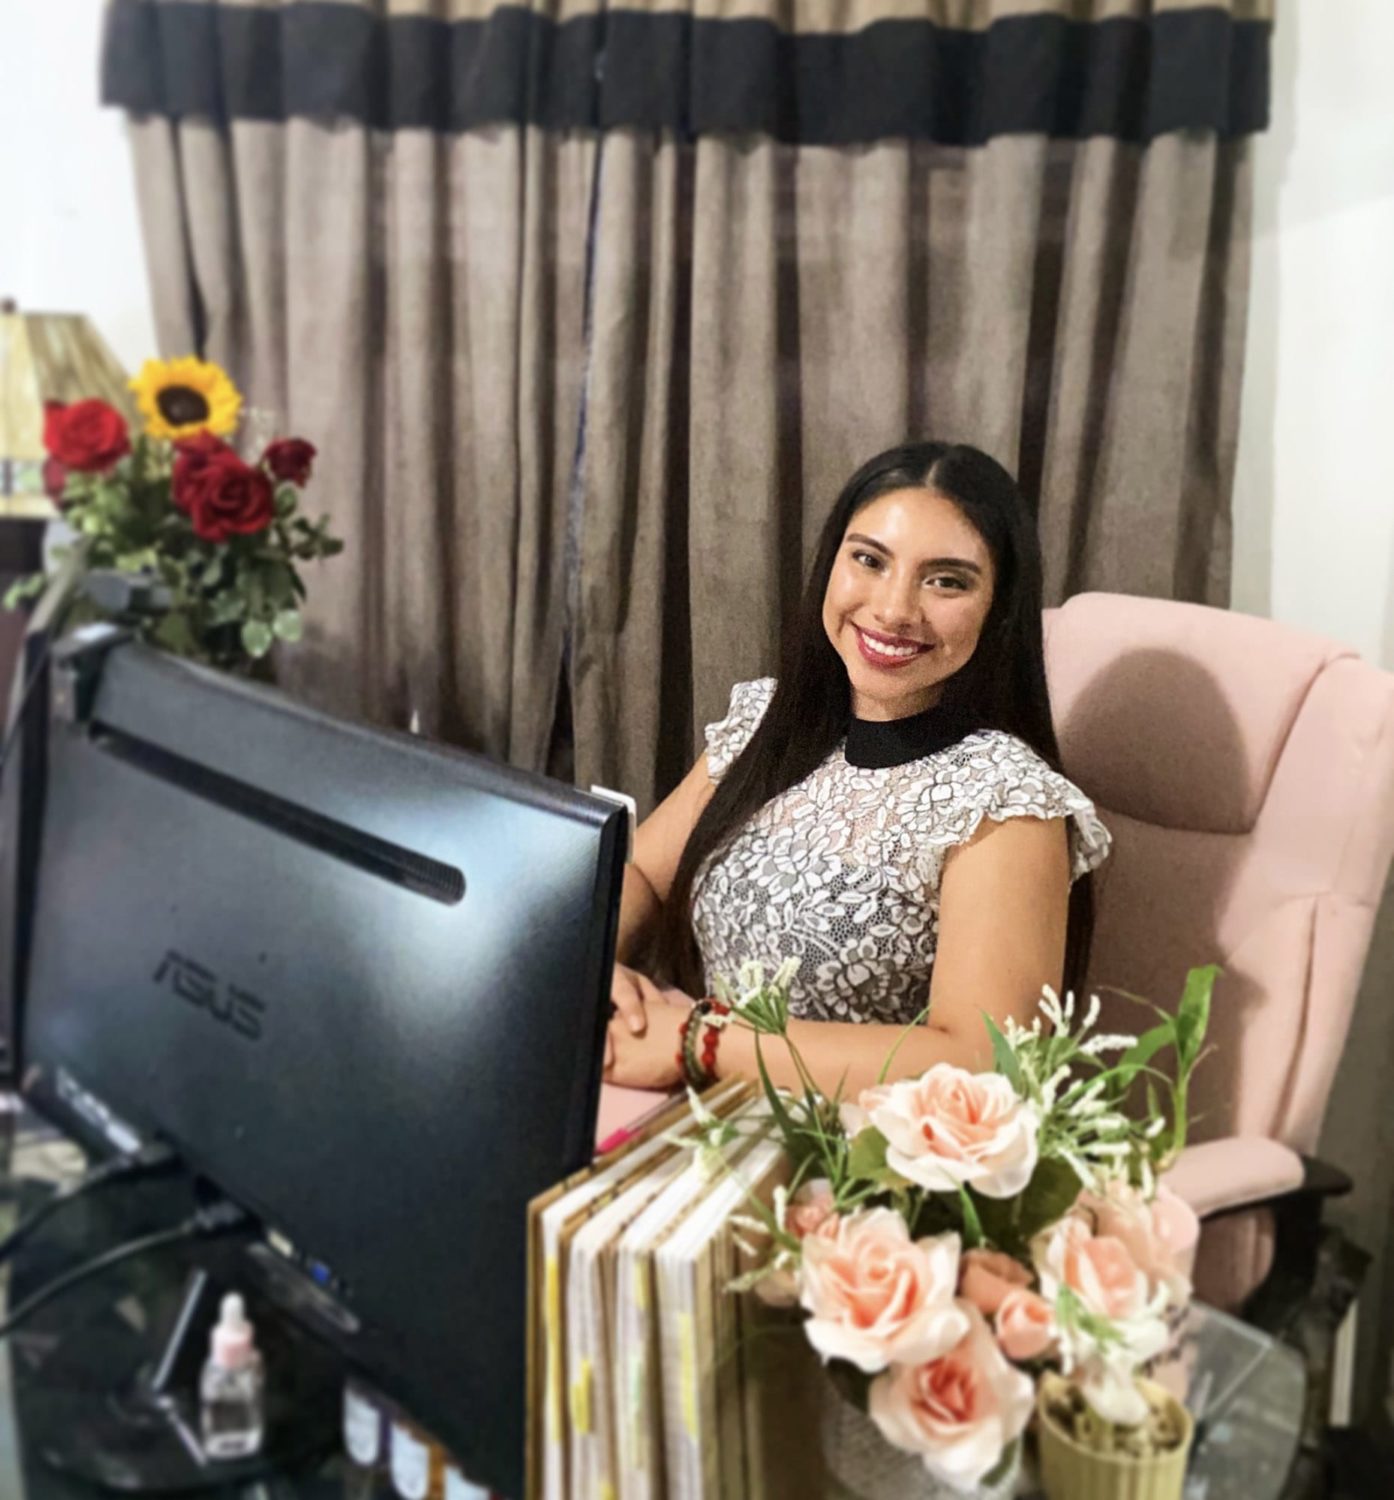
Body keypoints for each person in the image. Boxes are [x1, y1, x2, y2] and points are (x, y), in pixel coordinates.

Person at [603, 441, 1111, 1101]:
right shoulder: (767, 719)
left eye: (947, 580)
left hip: (858, 1161)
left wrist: (698, 1041)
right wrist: (591, 965)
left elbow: (983, 1063)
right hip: (686, 1106)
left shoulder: (1006, 800)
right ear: (831, 564)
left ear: (1000, 609)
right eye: (869, 560)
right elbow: (640, 869)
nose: (895, 608)